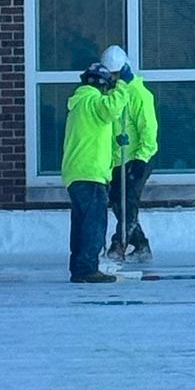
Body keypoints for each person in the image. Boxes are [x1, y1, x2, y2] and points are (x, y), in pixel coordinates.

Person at [61, 61, 122, 283]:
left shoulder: (79, 103)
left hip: (77, 172)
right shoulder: (93, 101)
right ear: (103, 85)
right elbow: (112, 109)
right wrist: (123, 85)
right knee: (94, 223)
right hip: (90, 172)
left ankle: (78, 266)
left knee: (80, 223)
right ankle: (87, 268)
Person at [100, 45, 159, 263]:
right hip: (117, 158)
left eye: (116, 74)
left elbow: (148, 128)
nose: (113, 78)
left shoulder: (138, 93)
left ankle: (119, 243)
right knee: (117, 201)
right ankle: (141, 245)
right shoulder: (111, 92)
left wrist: (142, 158)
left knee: (128, 202)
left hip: (136, 157)